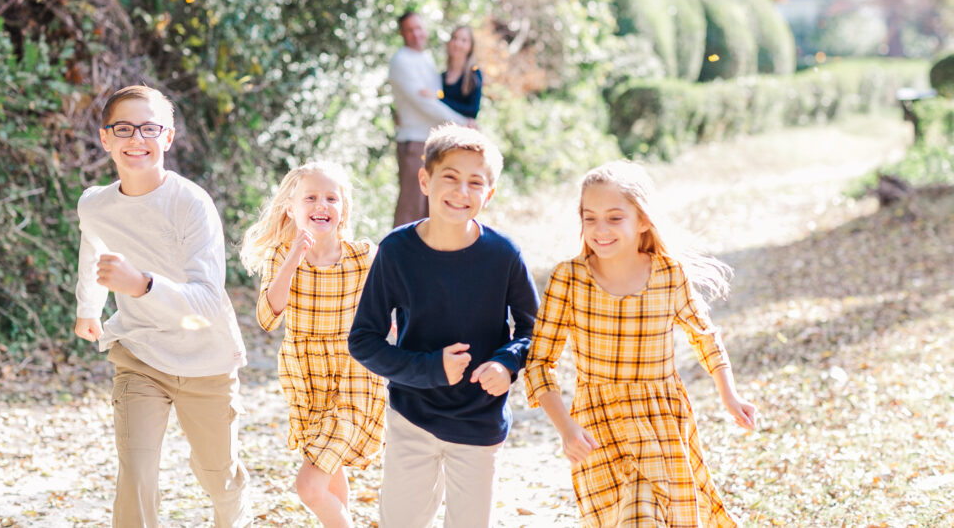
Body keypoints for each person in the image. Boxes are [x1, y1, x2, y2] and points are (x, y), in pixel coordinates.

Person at [523, 160, 757, 527]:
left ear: (643, 220)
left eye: (615, 218)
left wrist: (730, 395)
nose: (600, 230)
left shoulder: (668, 274)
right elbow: (539, 362)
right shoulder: (568, 279)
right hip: (596, 427)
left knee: (647, 517)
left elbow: (705, 337)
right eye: (590, 218)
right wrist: (566, 428)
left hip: (661, 422)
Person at [73, 85, 252, 527]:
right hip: (139, 355)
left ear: (167, 138)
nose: (138, 138)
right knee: (135, 475)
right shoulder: (95, 205)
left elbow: (209, 300)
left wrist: (142, 284)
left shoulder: (191, 204)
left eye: (150, 128)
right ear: (106, 138)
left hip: (205, 361)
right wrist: (88, 308)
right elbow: (92, 249)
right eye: (125, 128)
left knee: (218, 477)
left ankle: (236, 514)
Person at [348, 123, 539, 528]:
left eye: (475, 183)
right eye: (450, 178)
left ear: (489, 193)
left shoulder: (504, 255)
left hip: (479, 420)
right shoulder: (397, 252)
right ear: (425, 179)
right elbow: (363, 340)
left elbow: (535, 329)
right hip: (411, 417)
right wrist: (430, 369)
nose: (462, 192)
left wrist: (507, 364)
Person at [239, 161, 386, 528]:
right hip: (305, 379)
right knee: (328, 474)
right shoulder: (279, 256)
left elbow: (392, 308)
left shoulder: (363, 256)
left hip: (354, 377)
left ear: (343, 209)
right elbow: (268, 317)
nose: (322, 205)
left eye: (331, 198)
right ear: (292, 208)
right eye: (311, 197)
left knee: (308, 485)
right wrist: (293, 257)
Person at [389, 11, 472, 227]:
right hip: (414, 142)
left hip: (434, 142)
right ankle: (394, 259)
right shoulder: (401, 60)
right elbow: (424, 104)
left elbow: (438, 98)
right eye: (409, 30)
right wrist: (463, 122)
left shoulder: (426, 58)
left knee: (431, 208)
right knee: (411, 207)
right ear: (401, 33)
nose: (416, 34)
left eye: (419, 28)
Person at [439, 25, 483, 121]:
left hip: (463, 132)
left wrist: (440, 100)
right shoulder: (442, 77)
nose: (457, 43)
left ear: (470, 47)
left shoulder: (474, 74)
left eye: (463, 40)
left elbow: (472, 111)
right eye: (454, 38)